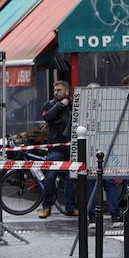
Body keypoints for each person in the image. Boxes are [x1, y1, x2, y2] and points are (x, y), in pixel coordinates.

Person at [38, 80, 76, 217]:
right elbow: (48, 117)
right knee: (50, 176)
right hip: (56, 147)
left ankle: (70, 207)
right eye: (55, 90)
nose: (56, 92)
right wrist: (60, 105)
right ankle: (46, 206)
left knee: (72, 177)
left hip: (71, 147)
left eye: (59, 90)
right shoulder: (50, 104)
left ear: (66, 91)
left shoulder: (74, 105)